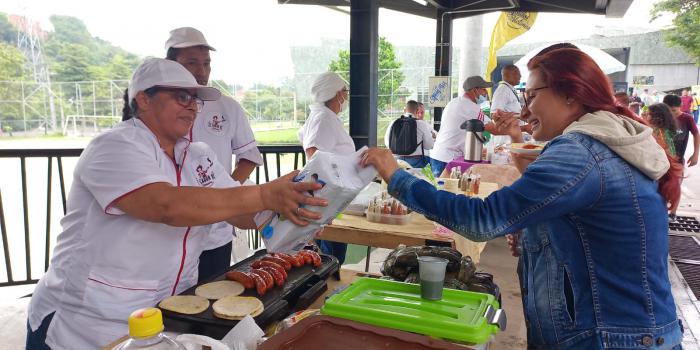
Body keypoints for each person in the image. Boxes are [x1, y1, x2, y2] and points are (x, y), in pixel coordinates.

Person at [360, 48, 683, 349]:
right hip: (625, 330)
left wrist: (396, 176)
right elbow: (585, 225)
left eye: (531, 96)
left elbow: (482, 219)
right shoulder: (606, 139)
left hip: (607, 336)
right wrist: (536, 236)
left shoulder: (580, 152)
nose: (525, 108)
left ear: (571, 96)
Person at [26, 58, 326, 350]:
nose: (192, 107)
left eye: (195, 100)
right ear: (143, 99)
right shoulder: (115, 145)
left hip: (165, 314)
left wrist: (292, 211)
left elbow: (242, 212)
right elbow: (165, 205)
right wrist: (264, 194)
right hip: (88, 321)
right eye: (181, 96)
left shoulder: (197, 154)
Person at [162, 27, 265, 282]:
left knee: (211, 294)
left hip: (217, 228)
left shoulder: (227, 107)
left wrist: (225, 196)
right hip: (168, 232)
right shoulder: (154, 117)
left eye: (206, 63)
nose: (201, 70)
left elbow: (249, 156)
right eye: (192, 63)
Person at [298, 71, 354, 265]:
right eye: (345, 92)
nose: (346, 97)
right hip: (328, 194)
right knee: (331, 256)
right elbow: (314, 153)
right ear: (338, 94)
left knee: (331, 249)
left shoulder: (323, 116)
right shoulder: (324, 118)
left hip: (330, 193)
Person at [429, 76, 495, 177]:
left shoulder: (453, 102)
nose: (486, 93)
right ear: (474, 90)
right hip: (449, 159)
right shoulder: (472, 107)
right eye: (483, 89)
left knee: (439, 189)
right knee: (450, 190)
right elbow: (494, 129)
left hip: (438, 155)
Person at [383, 100, 434, 168]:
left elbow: (387, 143)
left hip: (396, 160)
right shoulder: (421, 124)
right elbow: (429, 146)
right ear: (417, 110)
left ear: (404, 110)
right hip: (416, 161)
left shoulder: (393, 122)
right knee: (433, 163)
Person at [490, 65, 523, 146]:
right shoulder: (503, 90)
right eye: (516, 73)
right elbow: (494, 114)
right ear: (506, 75)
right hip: (505, 140)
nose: (520, 76)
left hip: (513, 136)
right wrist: (520, 116)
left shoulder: (509, 89)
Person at [663, 94, 699, 167]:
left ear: (681, 105)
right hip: (661, 159)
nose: (670, 113)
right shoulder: (662, 117)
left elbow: (696, 134)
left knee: (677, 176)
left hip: (678, 159)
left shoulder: (687, 118)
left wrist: (696, 154)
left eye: (674, 110)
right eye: (667, 110)